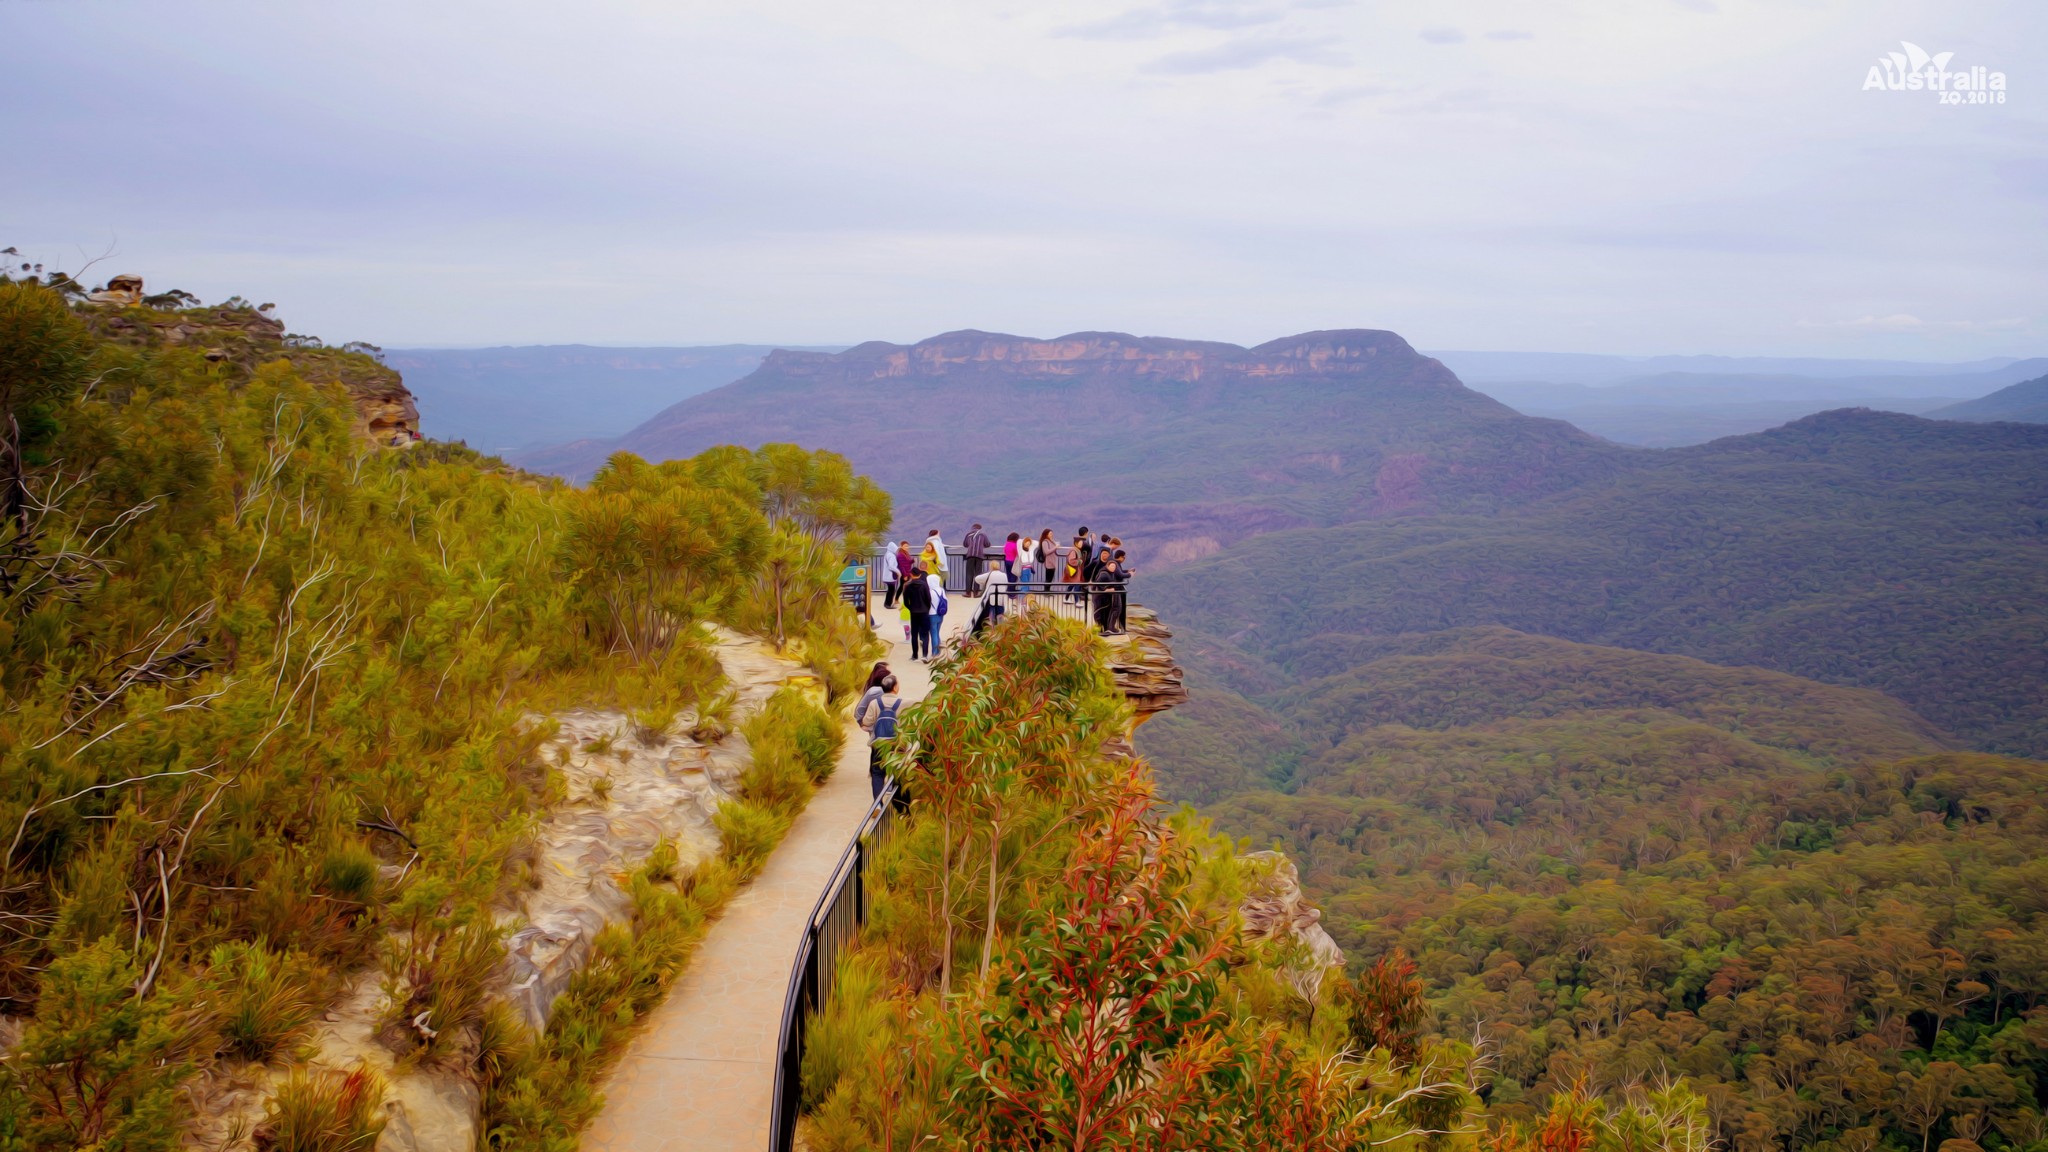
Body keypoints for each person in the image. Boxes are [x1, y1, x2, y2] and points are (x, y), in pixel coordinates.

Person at [857, 674, 902, 798]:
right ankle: (896, 803)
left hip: (879, 744)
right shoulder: (903, 703)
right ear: (895, 688)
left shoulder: (874, 703)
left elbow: (866, 722)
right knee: (897, 770)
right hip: (897, 744)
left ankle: (878, 804)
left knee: (877, 773)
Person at [902, 564, 934, 660]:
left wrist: (911, 608)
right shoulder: (924, 585)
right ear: (920, 575)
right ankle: (924, 655)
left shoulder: (908, 586)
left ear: (911, 574)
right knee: (925, 633)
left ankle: (915, 655)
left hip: (914, 612)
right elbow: (928, 598)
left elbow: (905, 601)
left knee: (914, 634)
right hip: (924, 611)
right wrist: (927, 608)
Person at [972, 565, 1009, 633]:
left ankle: (990, 629)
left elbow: (976, 578)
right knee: (1000, 613)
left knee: (990, 613)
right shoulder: (1004, 575)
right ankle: (1000, 629)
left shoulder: (989, 574)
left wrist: (984, 582)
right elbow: (1006, 584)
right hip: (1000, 596)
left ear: (991, 567)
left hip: (990, 597)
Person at [926, 566, 949, 660]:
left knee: (933, 633)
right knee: (937, 632)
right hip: (941, 614)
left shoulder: (930, 592)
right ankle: (939, 649)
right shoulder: (942, 590)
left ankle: (935, 652)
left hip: (932, 614)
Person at [961, 523, 989, 594]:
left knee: (969, 574)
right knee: (978, 574)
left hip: (970, 556)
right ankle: (976, 592)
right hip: (979, 556)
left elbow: (965, 544)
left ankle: (968, 592)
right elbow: (987, 544)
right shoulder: (983, 535)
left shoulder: (968, 535)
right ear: (980, 528)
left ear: (972, 528)